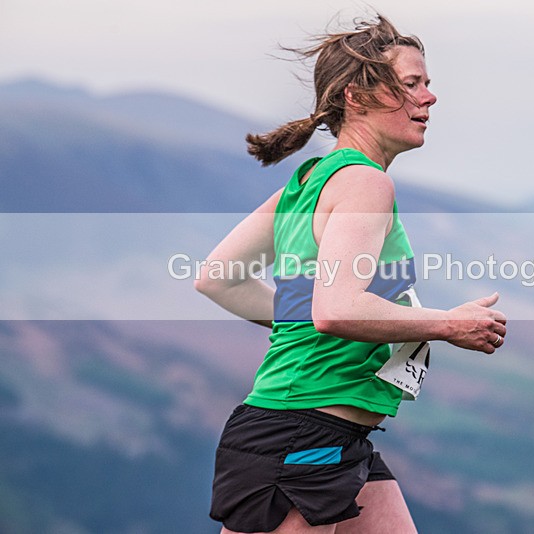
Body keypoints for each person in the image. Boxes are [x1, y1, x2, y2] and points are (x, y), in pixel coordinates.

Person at [195, 14, 507, 534]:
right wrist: (448, 324)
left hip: (336, 436)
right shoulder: (364, 184)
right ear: (357, 97)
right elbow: (337, 308)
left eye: (426, 84)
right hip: (297, 436)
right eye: (412, 84)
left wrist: (307, 322)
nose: (430, 98)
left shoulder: (308, 182)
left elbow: (217, 278)